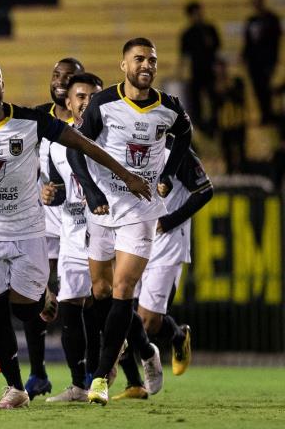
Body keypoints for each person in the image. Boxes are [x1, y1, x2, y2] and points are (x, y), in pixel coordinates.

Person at [0, 58, 151, 409]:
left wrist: (127, 175)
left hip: (29, 231)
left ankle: (44, 298)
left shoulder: (29, 120)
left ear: (3, 84)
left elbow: (83, 145)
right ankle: (15, 387)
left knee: (28, 311)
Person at [67, 37, 193, 405]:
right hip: (104, 210)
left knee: (123, 290)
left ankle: (102, 378)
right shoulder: (104, 103)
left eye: (152, 60)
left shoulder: (169, 107)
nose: (146, 65)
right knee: (101, 291)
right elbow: (76, 146)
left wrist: (168, 172)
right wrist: (91, 192)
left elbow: (185, 134)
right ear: (123, 65)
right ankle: (149, 352)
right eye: (139, 59)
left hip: (142, 209)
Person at [114, 139, 213, 400]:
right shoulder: (121, 142)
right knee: (118, 308)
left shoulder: (175, 150)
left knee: (147, 321)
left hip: (167, 242)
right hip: (131, 236)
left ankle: (178, 336)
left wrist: (168, 221)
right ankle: (134, 383)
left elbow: (205, 191)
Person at [24, 57, 85, 400]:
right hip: (45, 221)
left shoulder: (92, 121)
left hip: (82, 221)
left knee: (85, 301)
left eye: (70, 76)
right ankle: (38, 373)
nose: (61, 81)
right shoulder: (37, 117)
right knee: (36, 296)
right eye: (56, 75)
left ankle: (98, 370)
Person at [41, 72, 104, 403]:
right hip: (72, 236)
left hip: (107, 236)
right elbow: (60, 189)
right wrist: (51, 194)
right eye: (81, 96)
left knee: (105, 310)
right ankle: (80, 385)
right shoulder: (55, 143)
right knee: (69, 311)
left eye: (94, 96)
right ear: (67, 102)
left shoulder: (112, 140)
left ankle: (104, 375)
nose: (87, 102)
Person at [179, 0, 221, 132]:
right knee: (196, 101)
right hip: (196, 71)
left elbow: (217, 48)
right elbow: (184, 55)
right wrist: (181, 73)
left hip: (210, 70)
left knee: (214, 98)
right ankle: (200, 125)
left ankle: (215, 122)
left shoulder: (210, 29)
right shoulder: (187, 34)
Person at [242, 0, 282, 123]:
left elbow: (276, 41)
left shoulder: (272, 19)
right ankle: (264, 114)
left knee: (268, 88)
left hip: (267, 60)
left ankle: (271, 114)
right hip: (254, 62)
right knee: (257, 89)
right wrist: (244, 56)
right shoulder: (250, 20)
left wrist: (273, 60)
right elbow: (247, 42)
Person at [212, 57, 247, 173]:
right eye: (217, 68)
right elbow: (214, 105)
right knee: (227, 152)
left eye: (221, 67)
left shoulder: (235, 81)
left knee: (240, 150)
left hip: (238, 121)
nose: (219, 71)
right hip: (223, 124)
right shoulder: (213, 85)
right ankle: (231, 173)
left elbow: (240, 98)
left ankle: (242, 172)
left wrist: (227, 91)